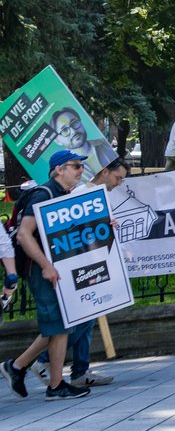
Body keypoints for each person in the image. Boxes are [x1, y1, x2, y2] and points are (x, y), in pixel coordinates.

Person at [2, 150, 91, 400]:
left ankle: (21, 369)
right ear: (59, 169)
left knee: (61, 325)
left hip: (55, 269)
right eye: (75, 166)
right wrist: (45, 266)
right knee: (59, 324)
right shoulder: (44, 195)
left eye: (81, 166)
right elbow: (23, 234)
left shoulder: (63, 195)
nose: (80, 170)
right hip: (41, 271)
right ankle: (51, 384)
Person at [35, 152, 129, 388]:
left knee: (88, 318)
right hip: (77, 265)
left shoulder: (97, 195)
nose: (119, 184)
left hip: (92, 262)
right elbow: (71, 227)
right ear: (105, 172)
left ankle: (79, 371)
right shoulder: (81, 193)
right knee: (83, 320)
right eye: (118, 178)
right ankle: (45, 360)